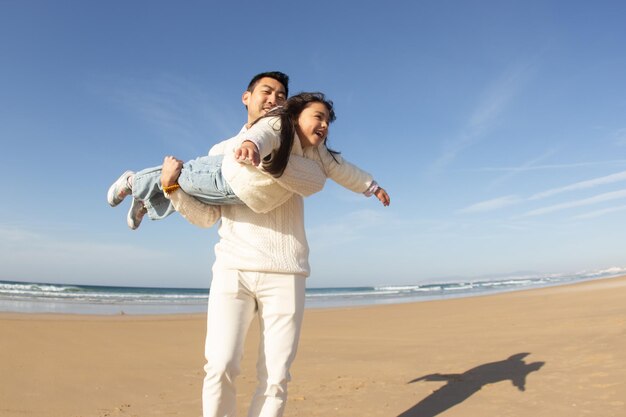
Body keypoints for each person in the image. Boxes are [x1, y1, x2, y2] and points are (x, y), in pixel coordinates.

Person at [163, 72, 388, 417]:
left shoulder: (312, 154)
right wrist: (172, 190)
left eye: (281, 94)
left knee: (275, 378)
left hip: (285, 271)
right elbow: (208, 217)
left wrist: (370, 186)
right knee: (220, 365)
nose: (274, 98)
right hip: (233, 268)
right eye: (267, 91)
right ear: (246, 96)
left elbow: (339, 171)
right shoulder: (220, 152)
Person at [107, 92, 390, 230]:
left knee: (182, 195)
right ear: (296, 114)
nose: (325, 125)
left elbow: (345, 171)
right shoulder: (282, 125)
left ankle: (143, 204)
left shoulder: (321, 156)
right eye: (318, 117)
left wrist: (371, 187)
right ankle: (132, 181)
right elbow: (263, 134)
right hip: (223, 176)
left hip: (240, 197)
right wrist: (250, 145)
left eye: (328, 121)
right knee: (181, 175)